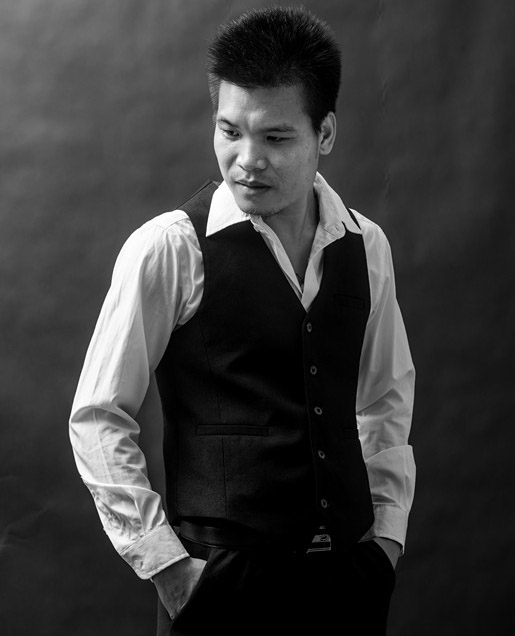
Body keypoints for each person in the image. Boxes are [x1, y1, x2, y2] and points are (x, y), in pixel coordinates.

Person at [69, 6, 415, 635]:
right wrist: (168, 567)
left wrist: (385, 541)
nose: (246, 159)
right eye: (229, 131)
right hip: (218, 587)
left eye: (275, 138)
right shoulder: (170, 247)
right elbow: (97, 415)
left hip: (349, 582)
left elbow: (384, 400)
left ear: (325, 133)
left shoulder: (367, 245)